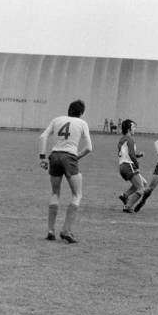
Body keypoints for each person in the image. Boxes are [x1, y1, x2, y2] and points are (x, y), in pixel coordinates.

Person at [38, 100, 93, 243]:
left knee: (55, 193)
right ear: (81, 113)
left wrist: (43, 158)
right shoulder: (82, 123)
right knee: (77, 195)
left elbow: (43, 137)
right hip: (69, 157)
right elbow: (89, 147)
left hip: (54, 156)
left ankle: (50, 230)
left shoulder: (57, 120)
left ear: (69, 110)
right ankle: (66, 230)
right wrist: (77, 157)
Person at [117, 119, 147, 213]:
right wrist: (136, 164)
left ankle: (125, 196)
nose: (135, 129)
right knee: (141, 188)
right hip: (128, 165)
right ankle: (128, 206)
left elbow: (125, 153)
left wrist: (137, 155)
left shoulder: (122, 139)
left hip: (122, 166)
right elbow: (130, 154)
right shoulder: (130, 139)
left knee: (144, 183)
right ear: (129, 129)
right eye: (134, 127)